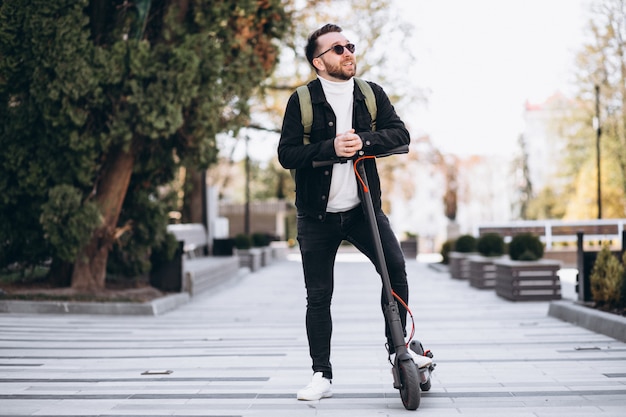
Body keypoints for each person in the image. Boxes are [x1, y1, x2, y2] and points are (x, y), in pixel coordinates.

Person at [277, 23, 412, 401]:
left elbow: (400, 135)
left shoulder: (371, 94)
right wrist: (330, 147)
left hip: (363, 210)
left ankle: (400, 353)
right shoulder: (301, 101)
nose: (348, 52)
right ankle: (322, 374)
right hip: (316, 218)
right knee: (319, 296)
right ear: (318, 62)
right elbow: (287, 154)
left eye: (350, 45)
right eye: (337, 48)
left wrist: (364, 141)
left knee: (396, 272)